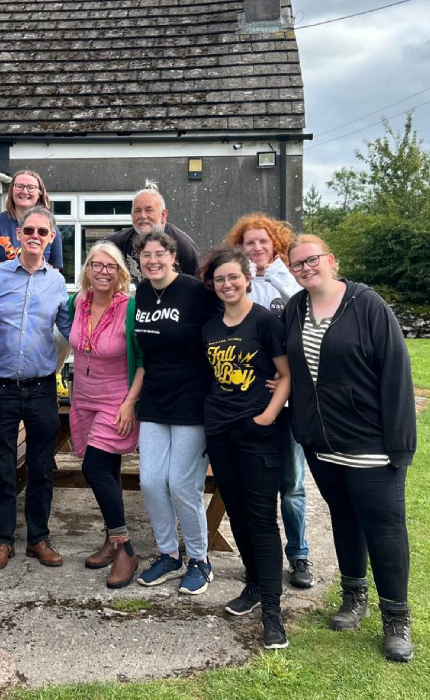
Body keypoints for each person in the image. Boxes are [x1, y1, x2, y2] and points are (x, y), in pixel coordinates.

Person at [283, 235, 416, 663]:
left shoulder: (366, 304)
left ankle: (396, 617)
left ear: (330, 260)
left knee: (385, 529)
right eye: (297, 264)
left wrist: (399, 445)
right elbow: (291, 369)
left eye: (312, 260)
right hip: (322, 444)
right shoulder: (295, 309)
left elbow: (395, 373)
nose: (305, 268)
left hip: (371, 444)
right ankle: (353, 595)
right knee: (344, 519)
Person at [200, 245, 291, 650]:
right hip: (220, 432)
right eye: (220, 279)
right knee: (235, 512)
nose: (227, 284)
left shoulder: (266, 321)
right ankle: (253, 585)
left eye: (233, 277)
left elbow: (286, 375)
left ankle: (273, 611)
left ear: (247, 277)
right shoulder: (210, 327)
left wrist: (267, 416)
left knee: (261, 518)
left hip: (259, 433)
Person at [0, 205, 72, 571]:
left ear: (50, 239)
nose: (34, 236)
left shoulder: (56, 283)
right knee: (2, 467)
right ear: (18, 235)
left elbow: (69, 329)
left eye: (42, 232)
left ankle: (38, 539)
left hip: (41, 388)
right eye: (28, 230)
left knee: (41, 466)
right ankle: (3, 541)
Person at [225, 214, 313, 589]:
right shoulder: (238, 284)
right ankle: (263, 558)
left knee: (292, 482)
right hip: (251, 399)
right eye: (249, 243)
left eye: (263, 241)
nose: (257, 248)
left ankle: (299, 554)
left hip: (289, 396)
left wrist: (290, 372)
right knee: (256, 486)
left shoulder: (290, 279)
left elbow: (304, 321)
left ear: (275, 243)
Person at [132, 231, 221, 594]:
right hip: (154, 400)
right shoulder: (141, 293)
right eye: (145, 255)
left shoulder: (197, 292)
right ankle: (169, 554)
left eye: (159, 254)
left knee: (182, 485)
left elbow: (224, 333)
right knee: (151, 482)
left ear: (173, 256)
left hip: (193, 401)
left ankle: (200, 559)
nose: (152, 260)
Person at [68, 242, 144, 588]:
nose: (102, 271)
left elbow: (144, 361)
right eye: (96, 265)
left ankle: (125, 546)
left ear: (120, 274)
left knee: (94, 467)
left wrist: (130, 402)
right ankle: (111, 541)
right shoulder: (77, 303)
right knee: (108, 468)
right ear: (86, 270)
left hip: (116, 400)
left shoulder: (130, 308)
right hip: (83, 398)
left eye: (110, 266)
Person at [105, 180, 200, 284]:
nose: (142, 216)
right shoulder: (119, 242)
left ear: (163, 215)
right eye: (137, 211)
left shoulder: (183, 246)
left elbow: (199, 285)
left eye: (149, 210)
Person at [0, 170, 63, 269]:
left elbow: (55, 269)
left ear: (40, 193)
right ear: (12, 191)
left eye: (31, 187)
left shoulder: (49, 227)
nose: (24, 191)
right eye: (19, 186)